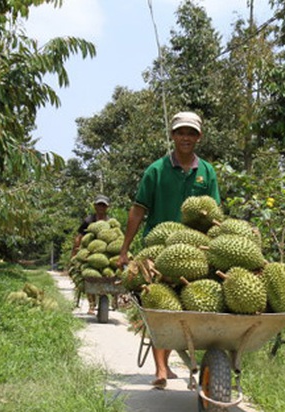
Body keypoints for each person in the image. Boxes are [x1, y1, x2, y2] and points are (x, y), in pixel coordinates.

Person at [117, 111, 220, 389]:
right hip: (156, 247)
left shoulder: (206, 172)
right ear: (173, 135)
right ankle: (161, 368)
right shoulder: (156, 170)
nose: (185, 137)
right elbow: (138, 210)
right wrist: (125, 249)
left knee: (184, 305)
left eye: (191, 133)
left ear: (199, 137)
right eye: (181, 132)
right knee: (159, 305)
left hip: (194, 248)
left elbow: (214, 213)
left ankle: (182, 359)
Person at [73, 194, 110, 314]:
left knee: (106, 277)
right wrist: (76, 252)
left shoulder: (110, 222)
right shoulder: (88, 221)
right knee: (88, 277)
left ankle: (103, 297)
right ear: (95, 206)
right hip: (88, 253)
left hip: (106, 254)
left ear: (107, 207)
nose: (101, 207)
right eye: (99, 205)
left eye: (103, 205)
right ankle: (91, 304)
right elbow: (79, 237)